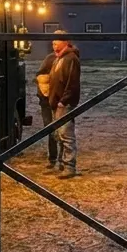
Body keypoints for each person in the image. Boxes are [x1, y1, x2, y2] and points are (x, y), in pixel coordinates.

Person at [46, 30, 81, 178]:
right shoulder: (58, 58)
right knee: (59, 135)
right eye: (53, 42)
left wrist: (63, 101)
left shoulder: (70, 59)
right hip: (57, 103)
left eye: (56, 42)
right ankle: (62, 163)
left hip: (63, 104)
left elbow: (72, 83)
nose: (53, 45)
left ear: (65, 42)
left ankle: (69, 166)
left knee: (66, 135)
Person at [35, 47, 60, 169]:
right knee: (50, 128)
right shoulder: (51, 58)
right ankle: (54, 158)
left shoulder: (68, 59)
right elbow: (40, 76)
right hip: (47, 99)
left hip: (57, 100)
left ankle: (59, 158)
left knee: (59, 129)